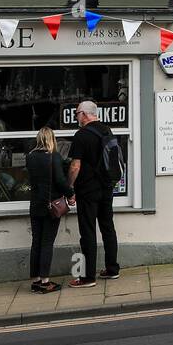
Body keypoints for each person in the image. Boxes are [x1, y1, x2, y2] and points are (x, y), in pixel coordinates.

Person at [66, 99, 120, 287]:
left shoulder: (81, 135)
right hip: (106, 188)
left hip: (88, 190)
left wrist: (69, 187)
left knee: (88, 231)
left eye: (77, 113)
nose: (76, 117)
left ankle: (88, 277)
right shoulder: (107, 130)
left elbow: (75, 165)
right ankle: (112, 269)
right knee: (108, 227)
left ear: (85, 114)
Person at [26, 126, 71, 293]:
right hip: (51, 206)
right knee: (47, 243)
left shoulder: (30, 157)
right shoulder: (54, 157)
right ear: (51, 139)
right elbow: (60, 180)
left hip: (35, 205)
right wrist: (71, 193)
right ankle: (45, 281)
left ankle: (35, 280)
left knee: (36, 242)